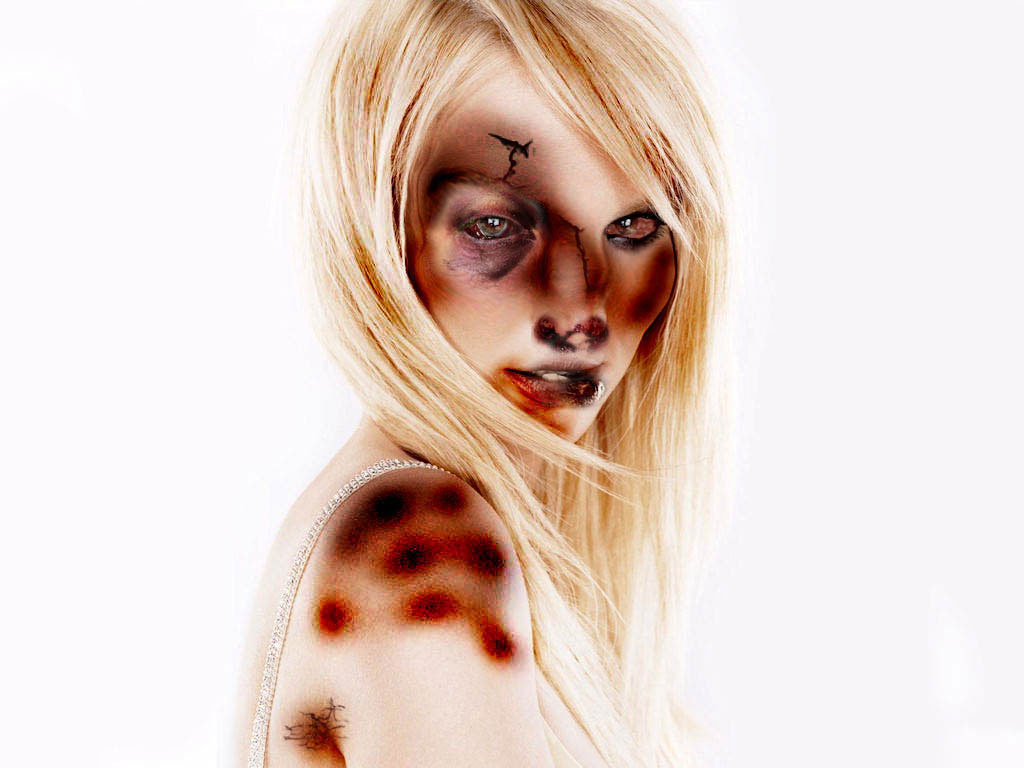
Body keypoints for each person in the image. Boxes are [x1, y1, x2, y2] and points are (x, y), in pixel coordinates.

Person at [237, 0, 732, 765]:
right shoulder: (424, 542)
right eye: (495, 226)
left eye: (633, 228)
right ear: (377, 229)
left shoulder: (397, 519)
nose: (581, 308)